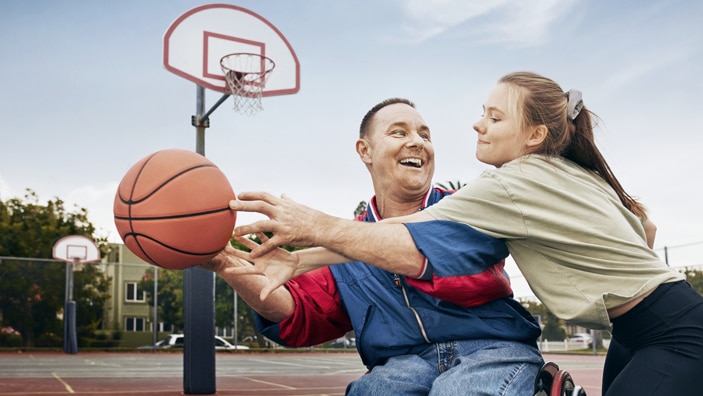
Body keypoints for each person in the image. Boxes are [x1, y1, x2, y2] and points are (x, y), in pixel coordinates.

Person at [229, 72, 703, 395]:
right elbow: (647, 227)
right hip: (643, 326)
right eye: (482, 112)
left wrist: (310, 226)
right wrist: (302, 258)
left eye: (494, 117)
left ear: (534, 135)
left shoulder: (508, 184)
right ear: (365, 149)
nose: (478, 123)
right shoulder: (569, 172)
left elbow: (415, 238)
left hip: (673, 333)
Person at [204, 97, 544, 395]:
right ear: (365, 151)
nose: (417, 142)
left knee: (456, 390)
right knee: (373, 389)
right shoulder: (343, 242)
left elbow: (440, 262)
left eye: (424, 134)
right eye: (399, 132)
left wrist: (319, 228)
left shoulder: (469, 207)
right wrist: (225, 263)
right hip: (404, 364)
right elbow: (300, 314)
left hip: (491, 351)